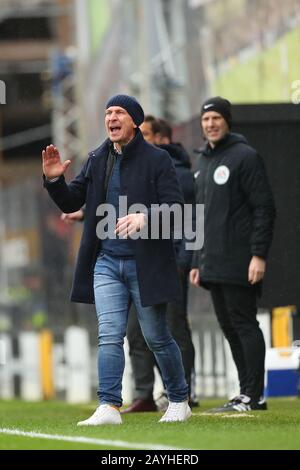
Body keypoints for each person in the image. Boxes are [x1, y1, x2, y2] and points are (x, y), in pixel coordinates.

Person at [42, 94, 191, 425]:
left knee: (156, 337)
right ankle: (108, 406)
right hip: (107, 263)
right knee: (109, 334)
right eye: (108, 112)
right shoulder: (98, 158)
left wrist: (145, 219)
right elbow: (71, 202)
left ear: (134, 120)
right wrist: (54, 180)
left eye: (119, 112)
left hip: (146, 264)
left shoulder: (158, 159)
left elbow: (178, 210)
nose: (111, 117)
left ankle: (179, 398)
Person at [190, 96, 276, 413]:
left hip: (240, 259)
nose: (210, 124)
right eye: (205, 120)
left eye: (216, 118)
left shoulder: (245, 157)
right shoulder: (203, 161)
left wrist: (258, 255)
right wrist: (198, 260)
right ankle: (245, 393)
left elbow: (264, 209)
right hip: (212, 261)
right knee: (228, 326)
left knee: (244, 324)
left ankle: (255, 395)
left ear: (227, 121)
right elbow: (201, 216)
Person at [123, 116, 198, 413]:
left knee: (172, 328)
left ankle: (181, 391)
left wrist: (184, 259)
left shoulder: (177, 173)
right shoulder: (138, 170)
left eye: (145, 134)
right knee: (136, 332)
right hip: (140, 261)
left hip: (170, 261)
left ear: (162, 140)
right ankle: (144, 394)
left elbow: (190, 219)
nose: (137, 139)